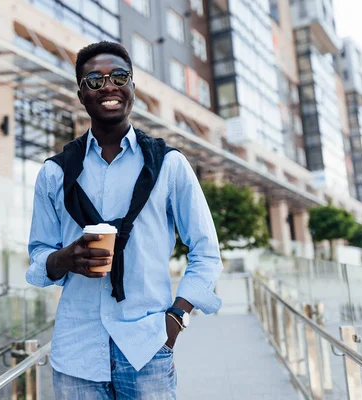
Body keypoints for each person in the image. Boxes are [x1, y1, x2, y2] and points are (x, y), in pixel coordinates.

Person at [26, 41, 222, 399]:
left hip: (147, 348)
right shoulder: (54, 173)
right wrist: (63, 259)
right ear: (82, 94)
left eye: (119, 76)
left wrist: (177, 317)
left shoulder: (169, 165)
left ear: (133, 86)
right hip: (77, 355)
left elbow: (206, 252)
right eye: (95, 80)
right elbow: (39, 255)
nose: (109, 86)